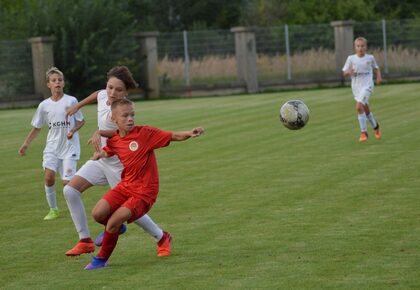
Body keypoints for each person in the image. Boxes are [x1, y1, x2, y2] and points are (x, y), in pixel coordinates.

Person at [64, 66, 171, 257]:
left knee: (130, 212)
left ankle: (161, 237)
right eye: (110, 87)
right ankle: (85, 240)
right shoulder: (104, 96)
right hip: (101, 159)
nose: (112, 93)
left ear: (126, 93)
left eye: (118, 90)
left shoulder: (121, 113)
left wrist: (99, 132)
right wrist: (77, 106)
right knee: (70, 190)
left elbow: (122, 134)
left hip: (120, 167)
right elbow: (97, 94)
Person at [84, 98, 204, 270]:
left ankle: (101, 259)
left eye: (132, 114)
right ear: (114, 119)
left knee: (112, 222)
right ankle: (116, 230)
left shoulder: (145, 134)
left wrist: (191, 133)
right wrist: (100, 154)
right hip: (126, 186)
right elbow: (111, 149)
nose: (130, 119)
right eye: (125, 116)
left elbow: (173, 136)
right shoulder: (115, 139)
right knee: (98, 214)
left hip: (144, 192)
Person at [18, 67, 85, 220]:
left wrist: (72, 130)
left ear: (63, 83)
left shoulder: (71, 101)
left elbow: (81, 121)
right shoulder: (44, 105)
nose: (57, 83)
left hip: (69, 148)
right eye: (54, 81)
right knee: (49, 178)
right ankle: (53, 209)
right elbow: (37, 126)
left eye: (60, 80)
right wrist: (26, 144)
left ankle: (74, 210)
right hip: (52, 147)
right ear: (48, 84)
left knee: (67, 184)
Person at [342, 36, 382, 143]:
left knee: (359, 107)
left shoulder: (370, 58)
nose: (360, 48)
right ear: (355, 47)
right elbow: (344, 72)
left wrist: (378, 76)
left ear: (366, 47)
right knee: (365, 108)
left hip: (367, 85)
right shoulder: (351, 58)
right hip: (356, 87)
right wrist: (348, 72)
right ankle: (375, 126)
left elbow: (376, 68)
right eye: (358, 46)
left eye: (362, 46)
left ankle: (364, 132)